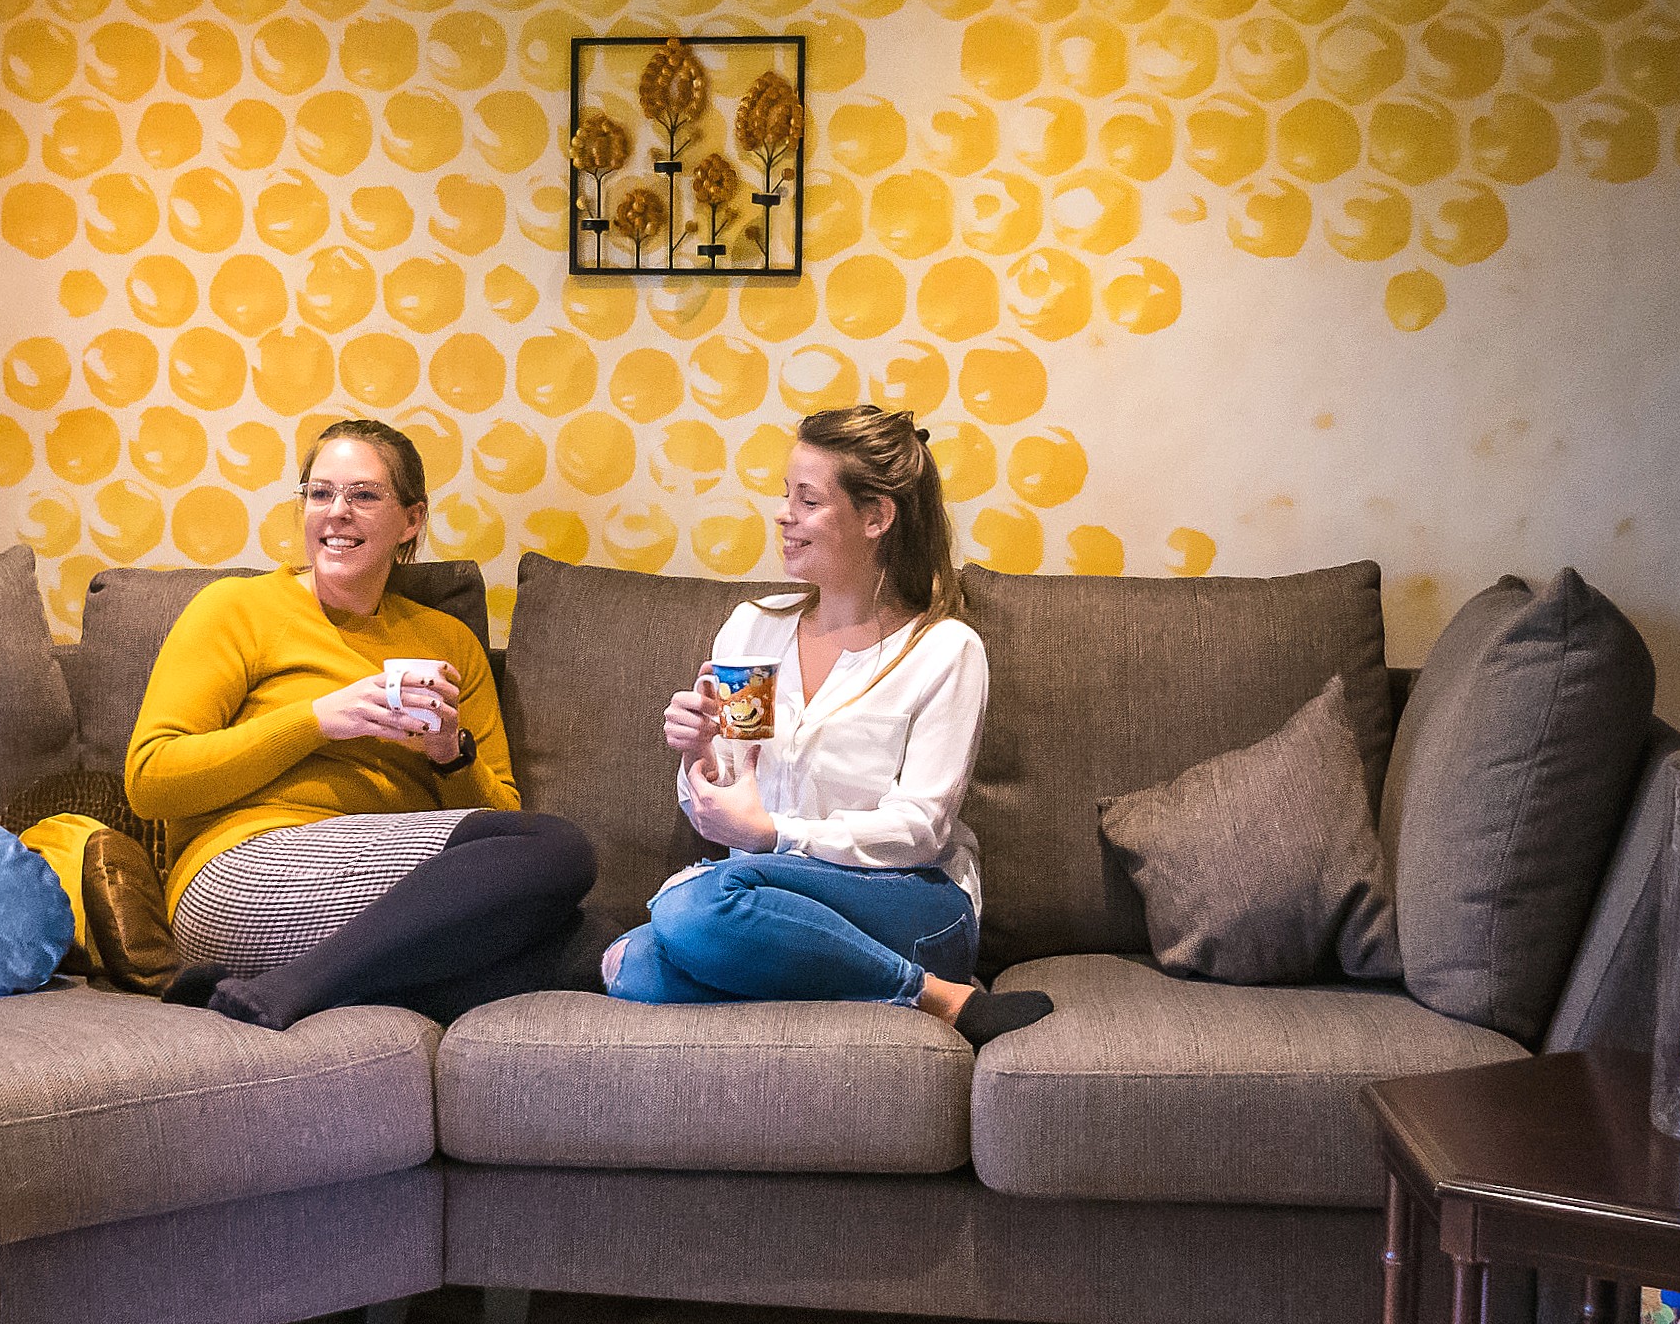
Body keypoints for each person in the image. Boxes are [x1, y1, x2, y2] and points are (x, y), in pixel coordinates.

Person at [602, 403, 1050, 1046]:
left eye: (808, 500)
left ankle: (922, 986)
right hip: (764, 898)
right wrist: (700, 756)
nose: (784, 514)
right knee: (628, 963)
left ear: (876, 517)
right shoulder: (755, 628)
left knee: (693, 909)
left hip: (910, 901)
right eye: (787, 496)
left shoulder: (943, 649)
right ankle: (899, 986)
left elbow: (920, 830)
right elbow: (730, 800)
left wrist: (772, 835)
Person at [128, 418, 593, 1029]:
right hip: (240, 879)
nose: (337, 512)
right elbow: (151, 780)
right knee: (559, 849)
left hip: (387, 908)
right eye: (320, 494)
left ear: (411, 519)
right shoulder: (235, 609)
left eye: (364, 495)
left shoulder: (447, 643)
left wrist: (449, 754)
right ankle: (286, 991)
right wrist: (319, 719)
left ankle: (288, 984)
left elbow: (501, 814)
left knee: (599, 939)